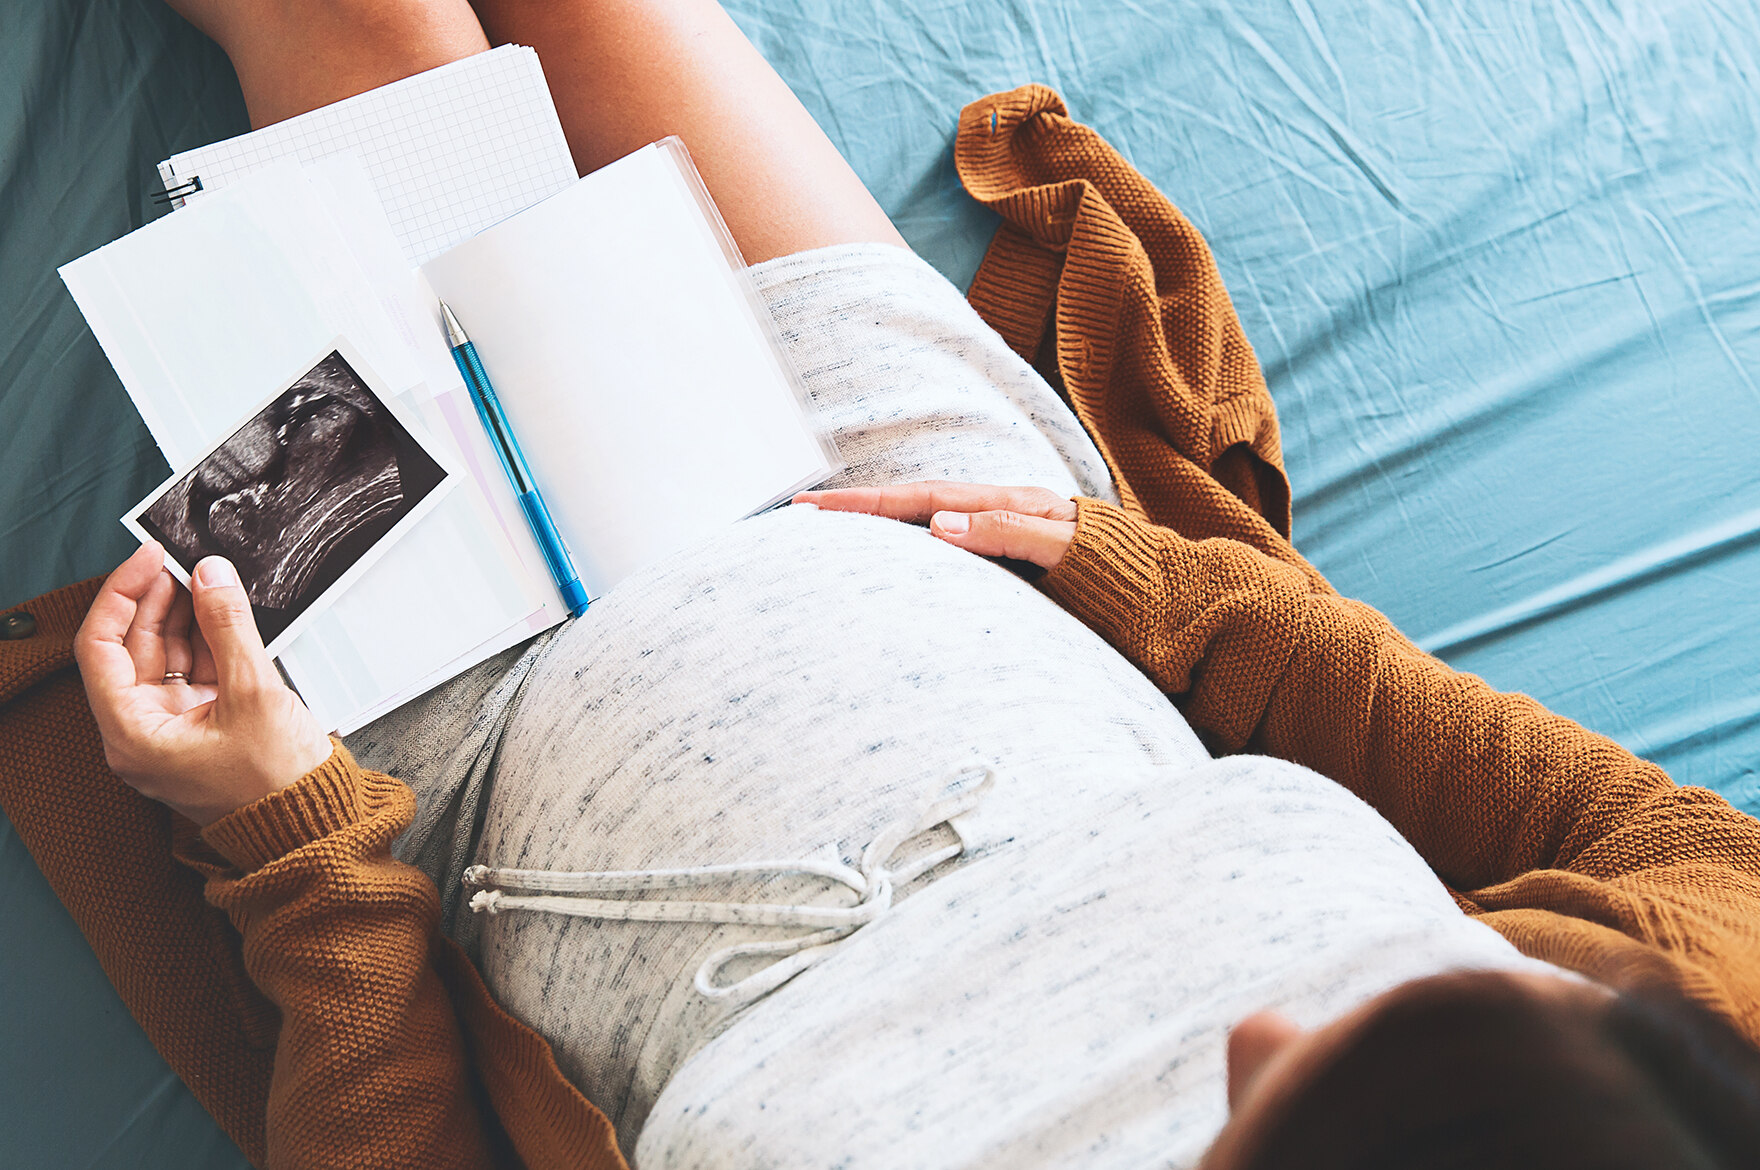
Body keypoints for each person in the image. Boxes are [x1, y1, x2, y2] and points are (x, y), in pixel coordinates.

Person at [38, 1, 1760, 1167]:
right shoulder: (1618, 1083)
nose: (1242, 1034)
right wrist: (1169, 596)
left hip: (476, 696)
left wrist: (295, 857)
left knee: (352, 19)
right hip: (932, 519)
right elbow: (1704, 860)